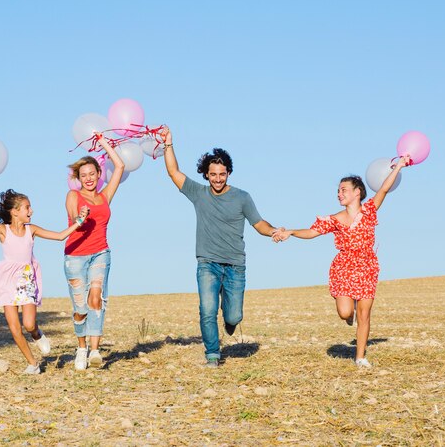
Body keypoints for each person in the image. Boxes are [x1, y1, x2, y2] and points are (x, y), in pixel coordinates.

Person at [272, 156, 410, 368]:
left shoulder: (370, 211)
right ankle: (349, 314)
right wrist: (291, 231)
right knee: (345, 312)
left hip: (366, 265)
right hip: (344, 267)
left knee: (365, 314)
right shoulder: (334, 219)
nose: (339, 193)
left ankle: (360, 357)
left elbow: (383, 189)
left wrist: (399, 166)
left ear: (357, 192)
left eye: (343, 189)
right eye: (338, 190)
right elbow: (312, 232)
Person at [160, 126, 280, 368]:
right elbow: (173, 172)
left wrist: (274, 232)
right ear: (206, 174)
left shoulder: (242, 197)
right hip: (207, 263)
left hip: (235, 265)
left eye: (222, 174)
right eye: (213, 174)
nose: (217, 179)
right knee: (207, 310)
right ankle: (212, 354)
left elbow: (259, 223)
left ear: (229, 173)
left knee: (234, 316)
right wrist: (168, 144)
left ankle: (230, 319)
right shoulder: (199, 193)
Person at [0, 187, 89, 375]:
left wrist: (79, 222)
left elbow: (59, 236)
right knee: (14, 328)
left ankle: (37, 334)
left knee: (28, 324)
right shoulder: (3, 230)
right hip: (6, 281)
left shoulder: (31, 230)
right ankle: (33, 364)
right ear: (15, 211)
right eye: (27, 207)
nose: (31, 211)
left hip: (26, 279)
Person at [64, 132, 125, 370]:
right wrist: (80, 217)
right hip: (75, 255)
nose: (88, 178)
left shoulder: (105, 196)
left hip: (101, 252)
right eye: (83, 175)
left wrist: (103, 143)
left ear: (99, 174)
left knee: (96, 299)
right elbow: (72, 215)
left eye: (92, 173)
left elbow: (119, 165)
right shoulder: (73, 195)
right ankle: (81, 348)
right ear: (78, 178)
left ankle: (96, 350)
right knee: (80, 309)